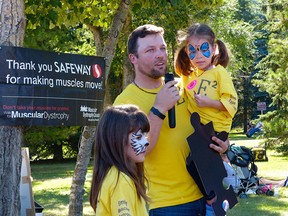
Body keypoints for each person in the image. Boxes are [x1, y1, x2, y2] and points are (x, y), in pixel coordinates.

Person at [113, 24, 229, 215]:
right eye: (150, 50)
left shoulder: (186, 86)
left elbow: (210, 123)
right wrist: (159, 109)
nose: (160, 54)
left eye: (162, 48)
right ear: (133, 58)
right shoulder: (125, 101)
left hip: (208, 196)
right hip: (169, 205)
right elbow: (136, 151)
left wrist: (224, 144)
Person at [174, 23, 238, 133]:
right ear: (187, 51)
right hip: (196, 129)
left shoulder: (219, 73)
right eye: (193, 51)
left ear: (213, 49)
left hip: (216, 132)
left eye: (204, 49)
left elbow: (232, 104)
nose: (199, 56)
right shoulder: (188, 76)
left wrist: (208, 103)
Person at [89, 104, 150, 215]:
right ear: (116, 140)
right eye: (138, 137)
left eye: (145, 135)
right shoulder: (121, 180)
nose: (146, 142)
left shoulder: (116, 175)